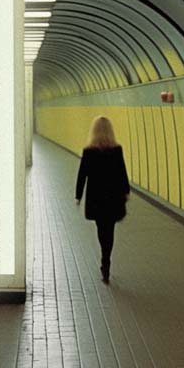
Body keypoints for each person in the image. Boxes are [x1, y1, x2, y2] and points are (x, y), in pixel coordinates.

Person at [74, 116, 131, 283]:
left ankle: (104, 258)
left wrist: (78, 195)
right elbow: (122, 172)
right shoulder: (116, 150)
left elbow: (82, 175)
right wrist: (126, 191)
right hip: (113, 197)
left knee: (101, 228)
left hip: (96, 198)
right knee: (110, 229)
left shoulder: (89, 151)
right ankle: (106, 258)